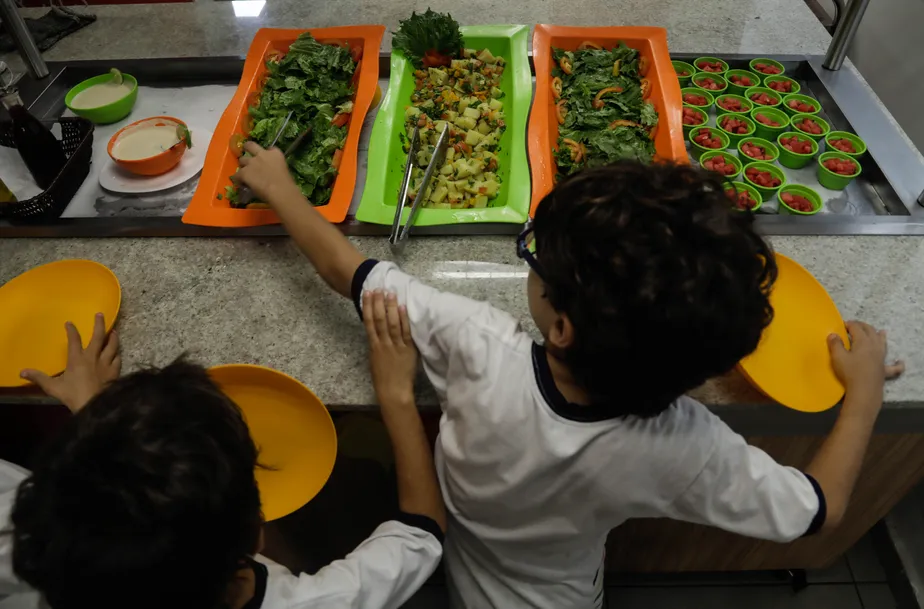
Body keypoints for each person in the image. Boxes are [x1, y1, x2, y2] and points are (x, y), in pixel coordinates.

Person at [233, 150, 903, 609]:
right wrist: (863, 393)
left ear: (562, 326)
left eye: (537, 258)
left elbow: (346, 270)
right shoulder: (688, 443)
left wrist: (281, 187)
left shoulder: (475, 343)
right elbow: (817, 508)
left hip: (464, 569)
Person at [0, 301, 445, 609]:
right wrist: (396, 393)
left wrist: (98, 422)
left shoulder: (37, 546)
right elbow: (422, 532)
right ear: (256, 533)